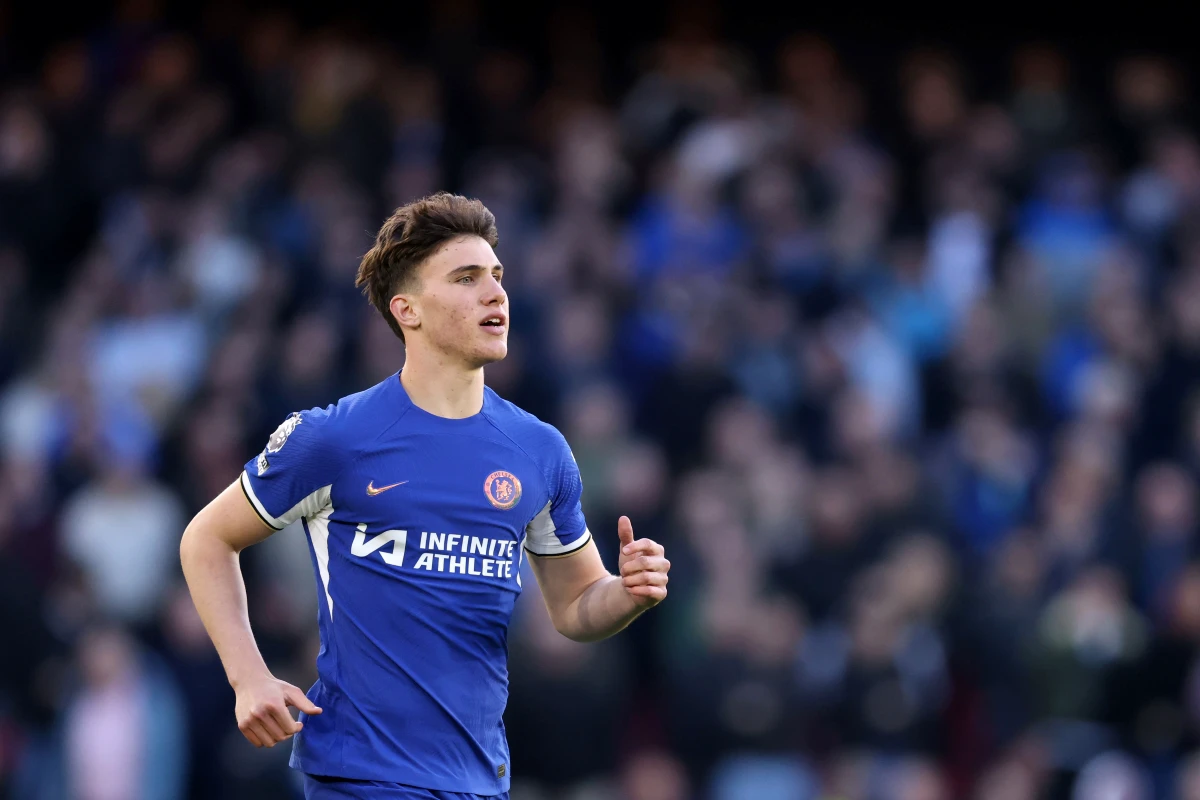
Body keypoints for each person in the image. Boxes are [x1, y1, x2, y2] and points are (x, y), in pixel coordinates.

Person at [179, 192, 671, 800]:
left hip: (478, 780)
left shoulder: (539, 450)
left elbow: (575, 607)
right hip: (360, 776)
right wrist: (248, 677)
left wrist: (625, 593)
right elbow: (207, 538)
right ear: (406, 309)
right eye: (466, 279)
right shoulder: (334, 438)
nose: (495, 293)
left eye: (496, 276)